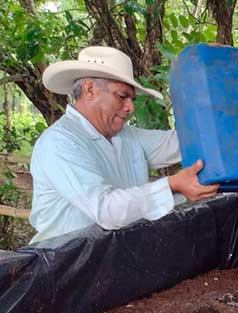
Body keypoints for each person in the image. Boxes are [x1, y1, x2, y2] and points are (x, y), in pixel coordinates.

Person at [29, 46, 219, 243]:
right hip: (65, 264)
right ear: (89, 90)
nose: (130, 107)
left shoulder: (125, 136)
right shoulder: (60, 142)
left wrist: (223, 112)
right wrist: (173, 184)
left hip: (118, 256)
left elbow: (180, 143)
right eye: (121, 96)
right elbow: (106, 210)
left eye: (131, 98)